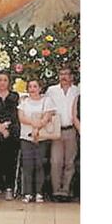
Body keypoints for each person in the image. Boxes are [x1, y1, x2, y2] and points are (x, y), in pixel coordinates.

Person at [17, 78, 54, 203]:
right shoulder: (24, 102)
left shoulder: (46, 101)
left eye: (35, 86)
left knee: (39, 165)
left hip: (41, 137)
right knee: (27, 165)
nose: (32, 89)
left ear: (40, 88)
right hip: (26, 137)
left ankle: (39, 192)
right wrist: (34, 124)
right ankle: (27, 193)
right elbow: (21, 117)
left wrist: (38, 128)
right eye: (30, 87)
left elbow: (47, 116)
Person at [45, 67, 80, 201]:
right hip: (56, 130)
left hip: (71, 129)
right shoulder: (52, 90)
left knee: (69, 162)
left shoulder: (77, 90)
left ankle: (66, 191)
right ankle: (56, 191)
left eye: (66, 74)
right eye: (61, 74)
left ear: (71, 76)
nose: (64, 76)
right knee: (56, 161)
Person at [0, 71, 21, 201]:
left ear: (9, 82)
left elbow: (16, 114)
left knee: (10, 161)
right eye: (0, 80)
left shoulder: (14, 96)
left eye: (5, 80)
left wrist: (7, 126)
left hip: (11, 132)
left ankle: (9, 188)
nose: (2, 83)